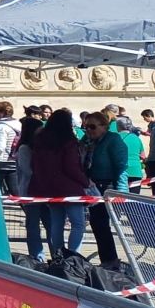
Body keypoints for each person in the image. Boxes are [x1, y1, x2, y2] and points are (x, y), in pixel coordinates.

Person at [28, 109, 90, 258]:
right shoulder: (68, 141)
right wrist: (85, 182)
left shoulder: (40, 141)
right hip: (69, 188)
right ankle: (73, 257)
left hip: (50, 188)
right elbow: (71, 167)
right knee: (78, 224)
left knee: (57, 223)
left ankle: (58, 255)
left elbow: (35, 165)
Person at [82, 111, 128, 268]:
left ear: (104, 126)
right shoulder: (87, 141)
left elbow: (121, 166)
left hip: (107, 186)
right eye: (86, 126)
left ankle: (111, 260)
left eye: (92, 126)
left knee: (103, 225)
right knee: (97, 224)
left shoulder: (113, 140)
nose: (88, 130)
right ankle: (107, 260)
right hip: (92, 186)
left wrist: (121, 192)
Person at [13, 117, 50, 262]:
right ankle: (37, 256)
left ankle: (56, 253)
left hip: (44, 191)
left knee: (49, 224)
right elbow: (27, 171)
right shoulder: (24, 148)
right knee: (33, 226)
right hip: (30, 192)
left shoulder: (42, 146)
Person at [118, 117, 147, 195]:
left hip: (121, 170)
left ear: (118, 126)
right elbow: (143, 156)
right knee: (134, 199)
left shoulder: (115, 137)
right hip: (136, 170)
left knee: (120, 200)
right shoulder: (136, 138)